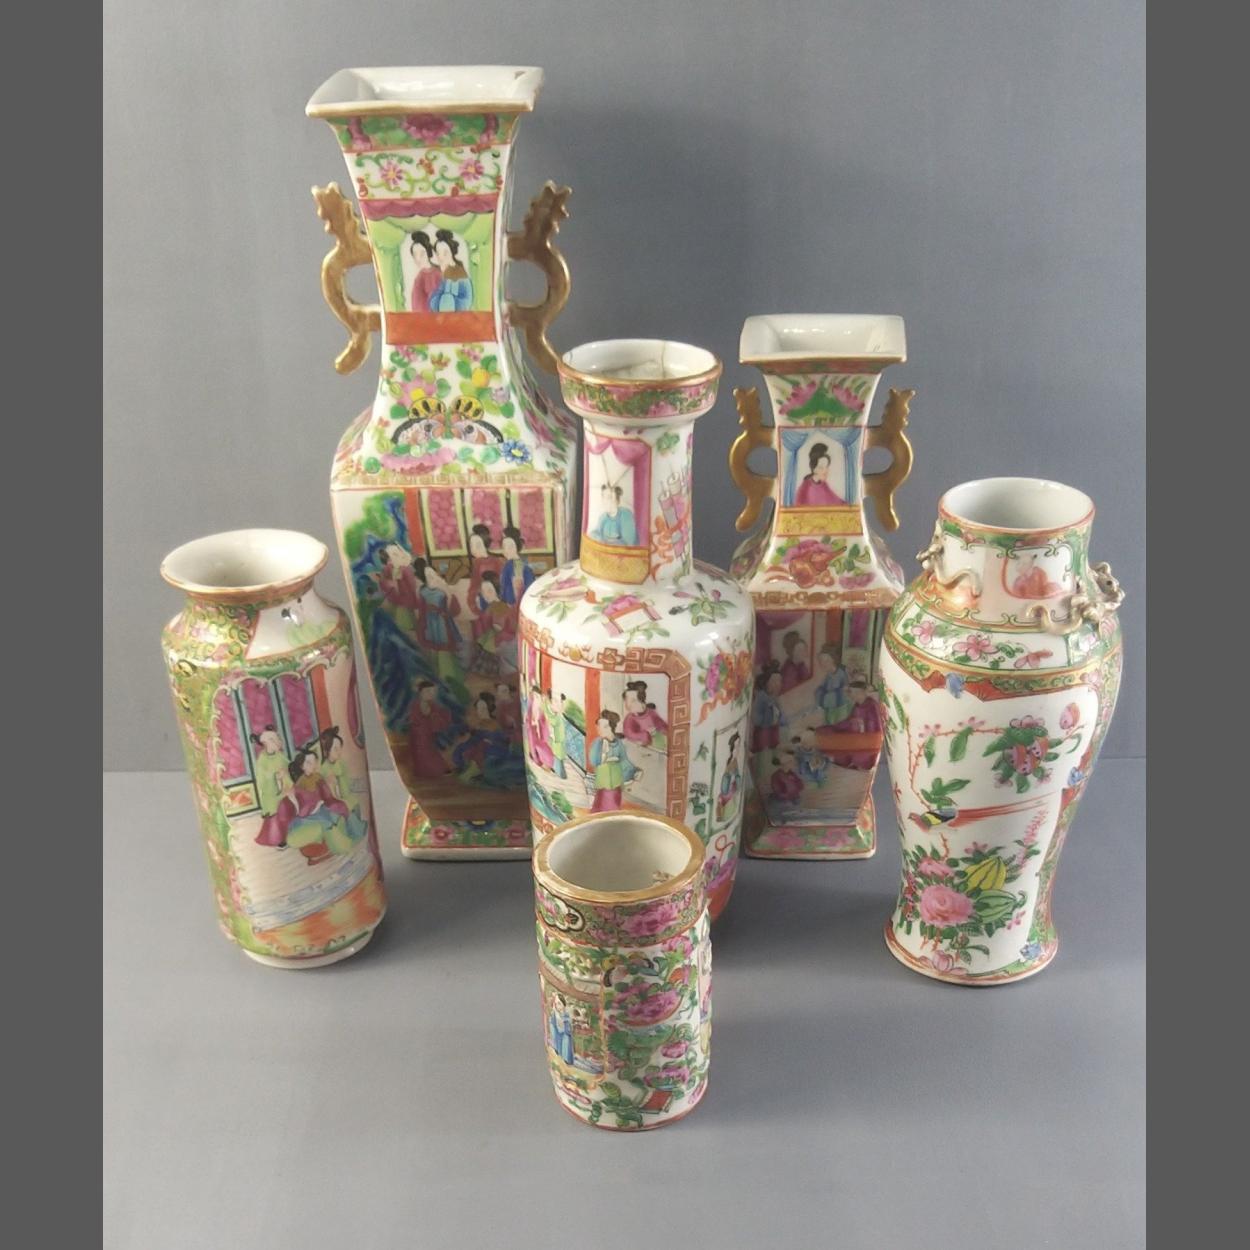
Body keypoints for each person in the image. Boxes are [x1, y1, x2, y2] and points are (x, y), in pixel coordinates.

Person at [282, 746, 366, 864]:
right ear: (302, 766)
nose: (313, 765)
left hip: (323, 806)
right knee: (328, 822)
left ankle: (355, 832)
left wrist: (330, 791)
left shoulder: (318, 777)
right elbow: (303, 809)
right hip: (309, 815)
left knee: (342, 807)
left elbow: (326, 795)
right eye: (309, 763)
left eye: (314, 761)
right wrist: (317, 805)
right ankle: (341, 846)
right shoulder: (300, 784)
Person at [414, 558, 462, 683]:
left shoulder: (441, 591)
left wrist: (443, 610)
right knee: (437, 646)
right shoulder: (425, 592)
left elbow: (454, 609)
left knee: (443, 646)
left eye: (433, 575)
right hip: (433, 622)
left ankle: (447, 674)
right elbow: (421, 609)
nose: (432, 578)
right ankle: (441, 673)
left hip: (440, 622)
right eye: (429, 576)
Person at [828, 676, 884, 769]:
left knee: (860, 756)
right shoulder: (857, 706)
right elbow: (849, 720)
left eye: (857, 693)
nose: (854, 695)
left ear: (863, 692)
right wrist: (836, 727)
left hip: (868, 740)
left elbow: (874, 727)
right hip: (856, 736)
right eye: (852, 693)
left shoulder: (872, 706)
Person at [588, 711, 639, 811]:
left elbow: (624, 761)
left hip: (616, 781)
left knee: (614, 806)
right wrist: (603, 753)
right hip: (603, 781)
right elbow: (594, 761)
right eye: (599, 726)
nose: (600, 729)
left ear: (611, 727)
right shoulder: (598, 743)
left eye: (605, 727)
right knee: (601, 806)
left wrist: (634, 771)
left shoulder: (618, 743)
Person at [250, 726, 292, 848]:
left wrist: (285, 775)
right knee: (277, 809)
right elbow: (262, 781)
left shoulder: (279, 755)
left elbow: (288, 767)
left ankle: (290, 831)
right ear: (265, 743)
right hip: (270, 794)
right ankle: (279, 838)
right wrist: (274, 776)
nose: (278, 742)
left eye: (277, 738)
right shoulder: (262, 760)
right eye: (273, 740)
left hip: (284, 789)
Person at [470, 572, 515, 674]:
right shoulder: (491, 606)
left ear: (496, 590)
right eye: (483, 591)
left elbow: (508, 626)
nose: (486, 594)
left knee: (488, 645)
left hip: (503, 637)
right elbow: (485, 622)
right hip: (493, 634)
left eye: (489, 591)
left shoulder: (502, 606)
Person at [408, 681, 452, 778]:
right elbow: (415, 720)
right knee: (424, 751)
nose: (430, 694)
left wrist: (438, 718)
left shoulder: (433, 705)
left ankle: (436, 769)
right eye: (427, 691)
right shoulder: (415, 705)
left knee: (431, 750)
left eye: (432, 692)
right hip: (418, 736)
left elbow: (438, 717)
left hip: (429, 735)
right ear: (420, 693)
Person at [376, 544, 420, 635]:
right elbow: (396, 581)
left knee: (404, 616)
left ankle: (407, 629)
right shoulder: (400, 568)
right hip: (402, 596)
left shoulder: (401, 569)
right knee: (405, 614)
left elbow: (402, 582)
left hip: (403, 596)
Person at [429, 229, 474, 311]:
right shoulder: (444, 271)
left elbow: (453, 297)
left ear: (452, 252)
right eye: (438, 253)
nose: (441, 258)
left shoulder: (457, 271)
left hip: (459, 306)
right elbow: (436, 295)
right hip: (447, 307)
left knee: (447, 298)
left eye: (445, 253)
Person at [621, 680, 668, 751]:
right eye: (626, 700)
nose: (628, 705)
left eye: (633, 700)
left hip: (657, 747)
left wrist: (661, 731)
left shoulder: (651, 713)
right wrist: (644, 735)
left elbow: (663, 726)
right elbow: (628, 733)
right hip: (640, 749)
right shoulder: (630, 718)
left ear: (641, 699)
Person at [794, 442, 846, 507]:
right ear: (814, 469)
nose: (825, 471)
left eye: (826, 466)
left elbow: (835, 500)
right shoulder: (805, 488)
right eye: (821, 467)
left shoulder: (823, 485)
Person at [751, 663, 784, 753]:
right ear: (766, 682)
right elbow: (756, 719)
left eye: (779, 681)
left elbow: (779, 716)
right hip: (763, 735)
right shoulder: (761, 697)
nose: (778, 684)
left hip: (772, 734)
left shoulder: (774, 699)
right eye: (774, 681)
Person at [498, 526, 534, 608]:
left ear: (515, 546)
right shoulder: (508, 565)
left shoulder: (517, 565)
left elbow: (518, 590)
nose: (505, 551)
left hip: (516, 605)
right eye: (503, 547)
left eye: (509, 546)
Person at [409, 230, 442, 312]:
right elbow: (416, 304)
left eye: (422, 253)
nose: (418, 258)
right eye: (415, 254)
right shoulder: (419, 277)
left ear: (428, 252)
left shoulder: (439, 273)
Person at [527, 683, 555, 771]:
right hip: (533, 733)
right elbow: (529, 720)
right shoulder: (531, 707)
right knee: (536, 747)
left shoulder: (541, 710)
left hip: (540, 735)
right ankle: (539, 761)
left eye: (538, 697)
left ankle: (547, 764)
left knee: (545, 748)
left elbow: (544, 724)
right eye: (535, 697)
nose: (537, 699)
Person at [716, 734, 742, 822]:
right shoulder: (730, 764)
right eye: (736, 747)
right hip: (727, 794)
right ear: (732, 749)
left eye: (739, 746)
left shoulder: (735, 762)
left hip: (732, 795)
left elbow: (738, 783)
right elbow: (725, 788)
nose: (737, 749)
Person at [545, 690, 568, 779]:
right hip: (554, 747)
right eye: (556, 701)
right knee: (558, 770)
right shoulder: (548, 714)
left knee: (560, 770)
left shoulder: (557, 715)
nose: (560, 704)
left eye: (560, 702)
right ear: (550, 701)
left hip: (559, 746)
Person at [548, 993, 575, 1064]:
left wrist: (564, 1022)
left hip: (565, 1036)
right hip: (558, 1036)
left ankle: (567, 1060)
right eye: (556, 1004)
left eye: (559, 1003)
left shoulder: (566, 1014)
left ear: (564, 1004)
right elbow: (554, 1025)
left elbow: (566, 1027)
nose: (557, 1006)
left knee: (566, 1041)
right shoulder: (555, 1015)